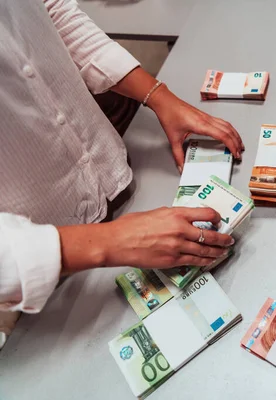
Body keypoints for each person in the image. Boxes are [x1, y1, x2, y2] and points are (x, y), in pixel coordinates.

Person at [0, 0, 245, 345]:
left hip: (112, 178)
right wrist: (113, 241)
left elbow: (49, 10)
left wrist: (160, 97)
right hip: (36, 286)